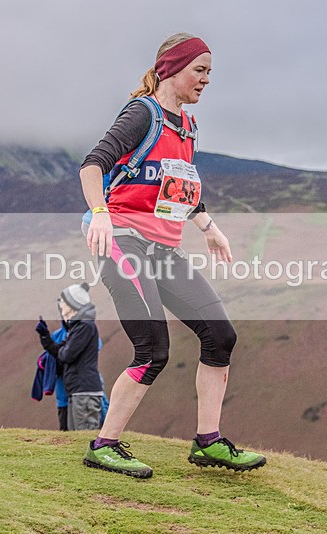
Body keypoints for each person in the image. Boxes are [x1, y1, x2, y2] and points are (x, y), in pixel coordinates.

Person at [79, 33, 266, 478]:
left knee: (220, 336)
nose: (206, 80)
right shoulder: (141, 114)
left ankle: (208, 443)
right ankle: (104, 445)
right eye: (199, 70)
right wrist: (100, 215)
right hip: (121, 240)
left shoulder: (187, 126)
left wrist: (209, 227)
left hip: (162, 247)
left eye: (209, 72)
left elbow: (180, 187)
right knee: (152, 350)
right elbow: (92, 166)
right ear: (171, 69)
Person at [36, 282, 104, 431]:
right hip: (77, 391)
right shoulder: (77, 327)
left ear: (73, 304)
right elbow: (60, 350)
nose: (60, 304)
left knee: (84, 436)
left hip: (85, 390)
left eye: (63, 301)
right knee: (75, 436)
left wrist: (62, 350)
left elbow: (66, 355)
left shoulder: (85, 327)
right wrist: (45, 337)